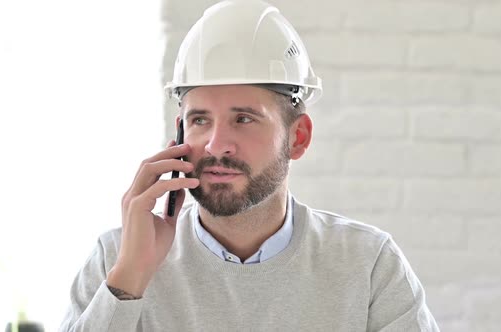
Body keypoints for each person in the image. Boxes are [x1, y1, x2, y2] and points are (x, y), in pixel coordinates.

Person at [59, 0, 439, 331]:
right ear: (178, 132)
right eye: (200, 120)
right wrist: (130, 281)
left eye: (243, 119)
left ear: (298, 137)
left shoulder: (367, 263)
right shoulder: (118, 258)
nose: (216, 144)